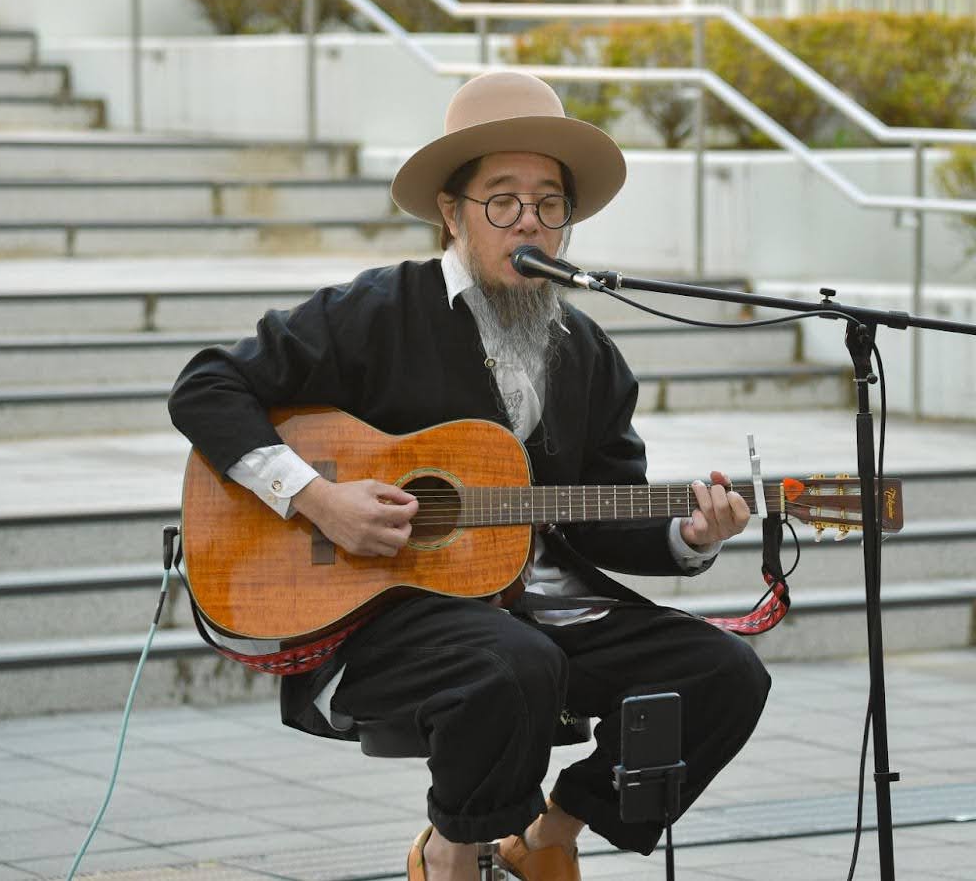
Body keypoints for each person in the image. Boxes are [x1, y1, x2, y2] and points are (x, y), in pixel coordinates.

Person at [168, 71, 771, 881]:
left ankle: (550, 835)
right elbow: (207, 387)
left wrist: (690, 535)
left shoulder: (586, 352)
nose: (530, 221)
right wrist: (318, 498)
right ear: (452, 213)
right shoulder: (378, 310)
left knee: (723, 672)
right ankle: (452, 853)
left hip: (540, 611)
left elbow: (603, 512)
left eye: (550, 204)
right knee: (513, 661)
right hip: (388, 617)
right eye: (503, 200)